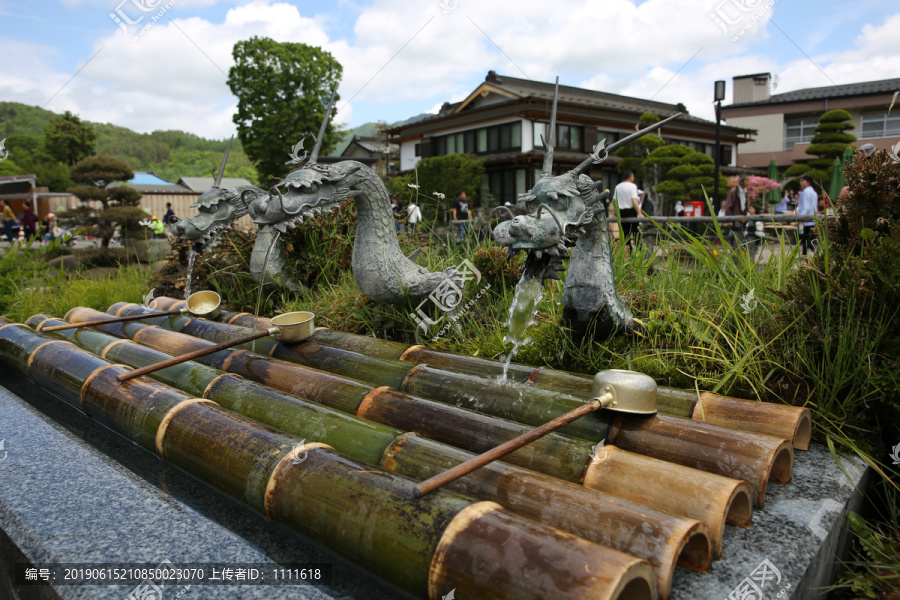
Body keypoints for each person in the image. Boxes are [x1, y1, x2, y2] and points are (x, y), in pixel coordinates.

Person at [612, 170, 641, 250]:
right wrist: (640, 213)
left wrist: (615, 212)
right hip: (631, 211)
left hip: (621, 212)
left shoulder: (618, 186)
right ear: (631, 177)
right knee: (636, 233)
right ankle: (639, 251)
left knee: (625, 234)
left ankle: (628, 253)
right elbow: (634, 201)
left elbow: (614, 201)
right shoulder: (632, 186)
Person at [723, 174, 751, 250]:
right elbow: (728, 205)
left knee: (742, 233)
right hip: (735, 215)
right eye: (747, 180)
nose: (748, 182)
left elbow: (745, 203)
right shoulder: (734, 191)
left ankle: (740, 249)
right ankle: (734, 249)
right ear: (741, 181)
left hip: (743, 214)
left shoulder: (745, 191)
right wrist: (729, 219)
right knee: (735, 233)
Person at [796, 174, 818, 256]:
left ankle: (813, 250)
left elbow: (805, 206)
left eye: (802, 181)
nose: (801, 183)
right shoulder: (813, 192)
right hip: (812, 217)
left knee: (803, 237)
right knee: (807, 236)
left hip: (806, 218)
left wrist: (801, 217)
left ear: (808, 182)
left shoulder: (806, 192)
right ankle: (804, 254)